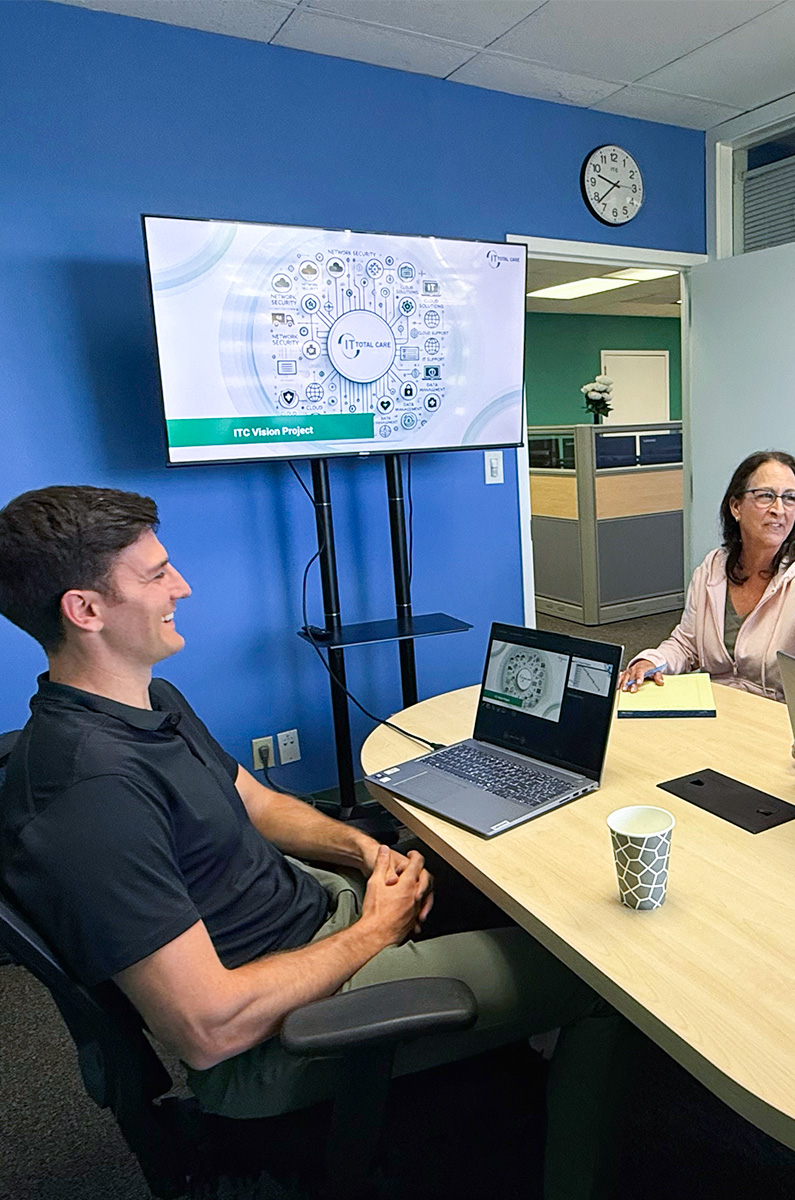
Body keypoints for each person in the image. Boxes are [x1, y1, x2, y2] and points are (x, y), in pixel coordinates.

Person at [0, 485, 626, 1200]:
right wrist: (374, 929)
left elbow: (257, 802)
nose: (183, 585)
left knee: (502, 890)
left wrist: (364, 855)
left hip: (319, 918)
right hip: (282, 1032)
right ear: (85, 610)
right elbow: (210, 1026)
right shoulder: (89, 795)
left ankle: (485, 1086)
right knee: (602, 980)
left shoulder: (149, 703)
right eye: (155, 575)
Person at [619, 450, 795, 699]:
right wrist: (650, 661)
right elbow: (686, 644)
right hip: (716, 708)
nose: (779, 509)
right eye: (766, 496)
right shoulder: (712, 568)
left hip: (775, 714)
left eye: (789, 498)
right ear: (736, 506)